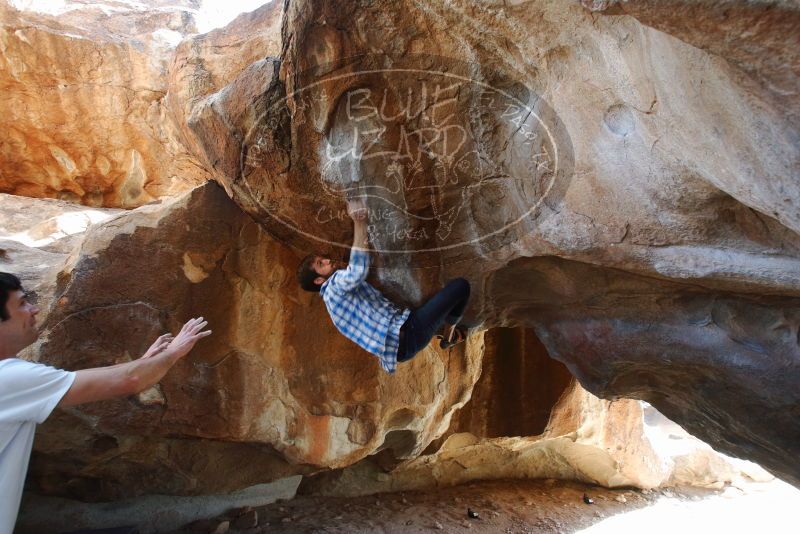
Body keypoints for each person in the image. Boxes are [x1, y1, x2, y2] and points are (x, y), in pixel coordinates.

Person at [0, 272, 211, 534]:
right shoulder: (9, 377)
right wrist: (173, 352)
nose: (35, 308)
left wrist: (146, 362)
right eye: (21, 303)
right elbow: (130, 379)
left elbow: (97, 381)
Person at [296, 199, 471, 374]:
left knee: (437, 305)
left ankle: (445, 333)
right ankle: (449, 337)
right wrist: (359, 221)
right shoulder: (333, 287)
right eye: (321, 264)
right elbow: (357, 270)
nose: (327, 260)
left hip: (401, 343)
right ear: (318, 281)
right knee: (461, 287)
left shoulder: (332, 304)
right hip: (409, 335)